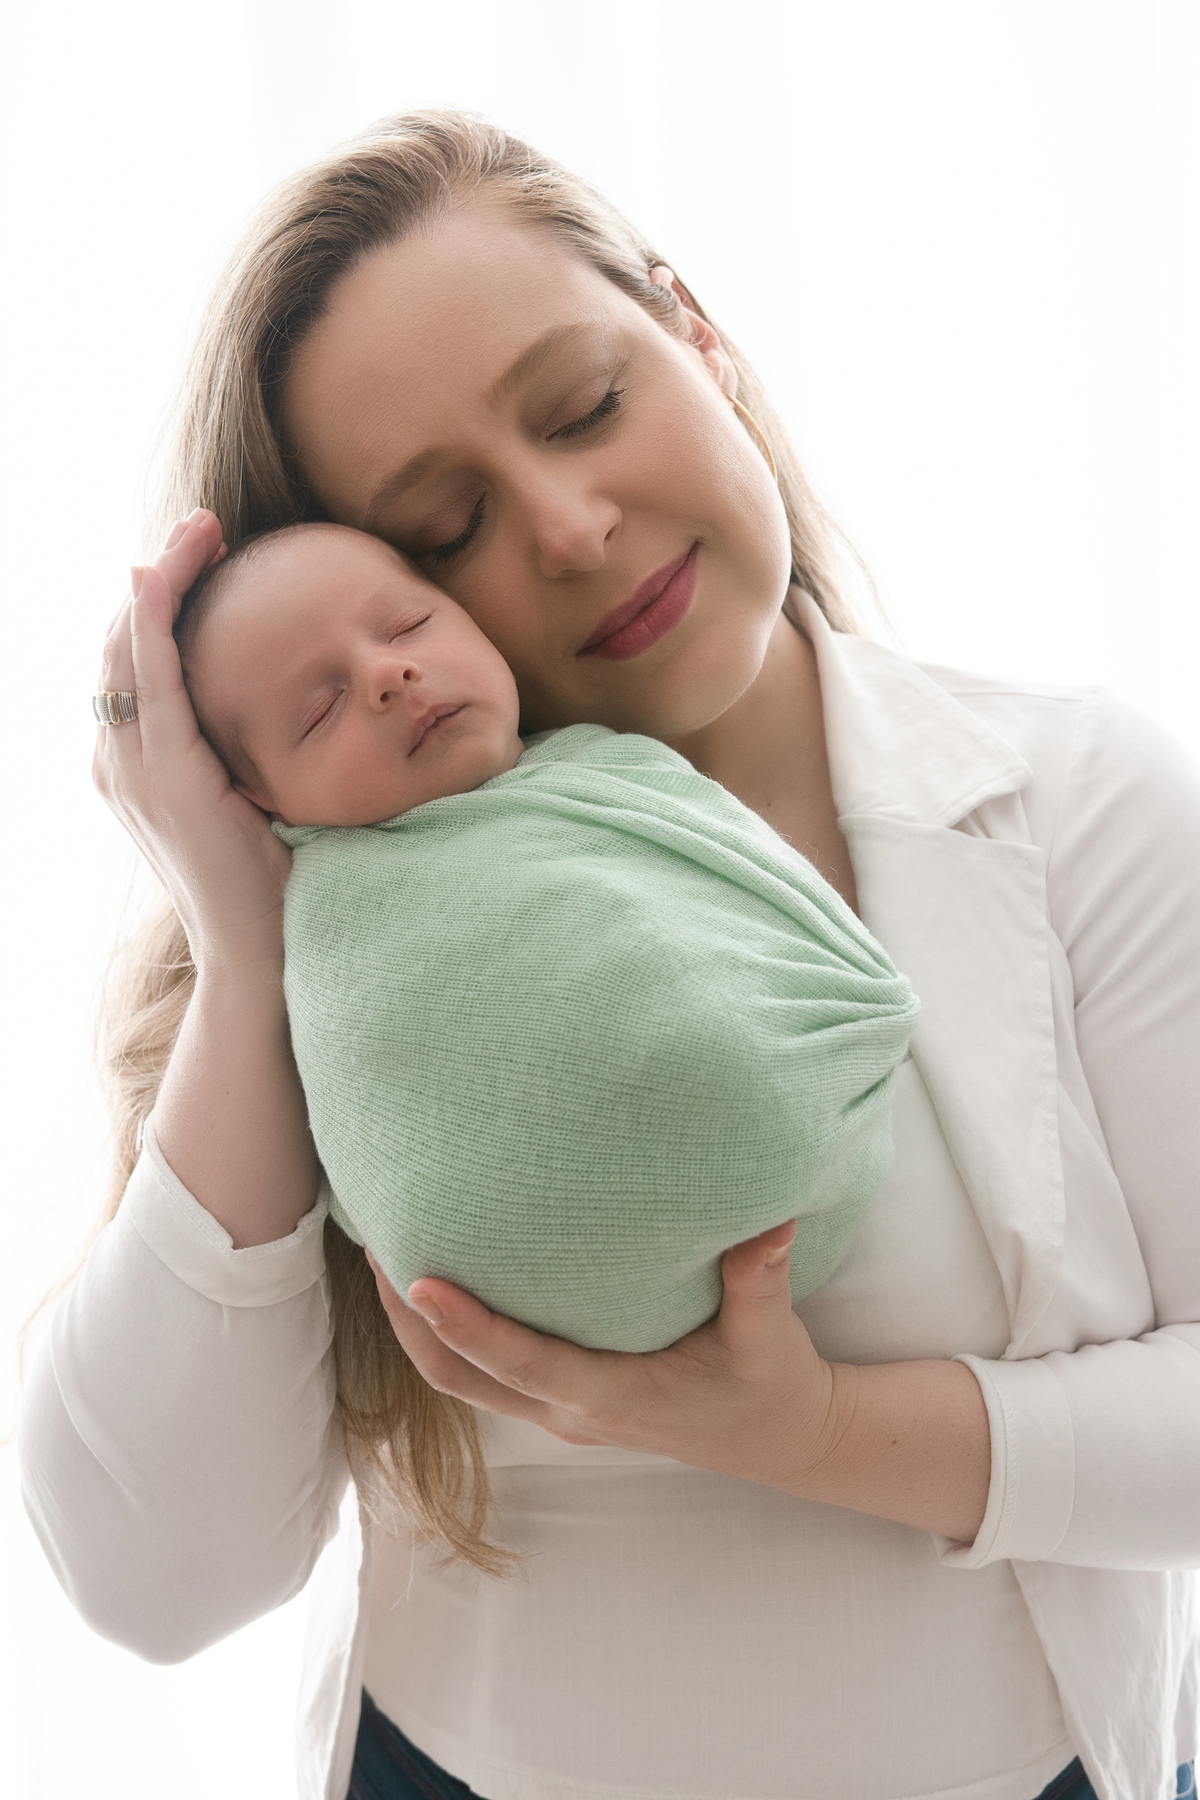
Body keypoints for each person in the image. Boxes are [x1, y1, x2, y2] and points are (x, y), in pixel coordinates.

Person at [17, 111, 1200, 1800]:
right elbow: (150, 1581)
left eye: (585, 406)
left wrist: (812, 1435)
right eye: (441, 527)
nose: (569, 527)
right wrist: (240, 936)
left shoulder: (1074, 796)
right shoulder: (345, 975)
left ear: (693, 328)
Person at [174, 517, 918, 1353]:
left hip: (792, 1157)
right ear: (266, 801)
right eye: (320, 710)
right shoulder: (330, 915)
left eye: (407, 625)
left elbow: (752, 887)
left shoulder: (609, 766)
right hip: (520, 1281)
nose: (388, 674)